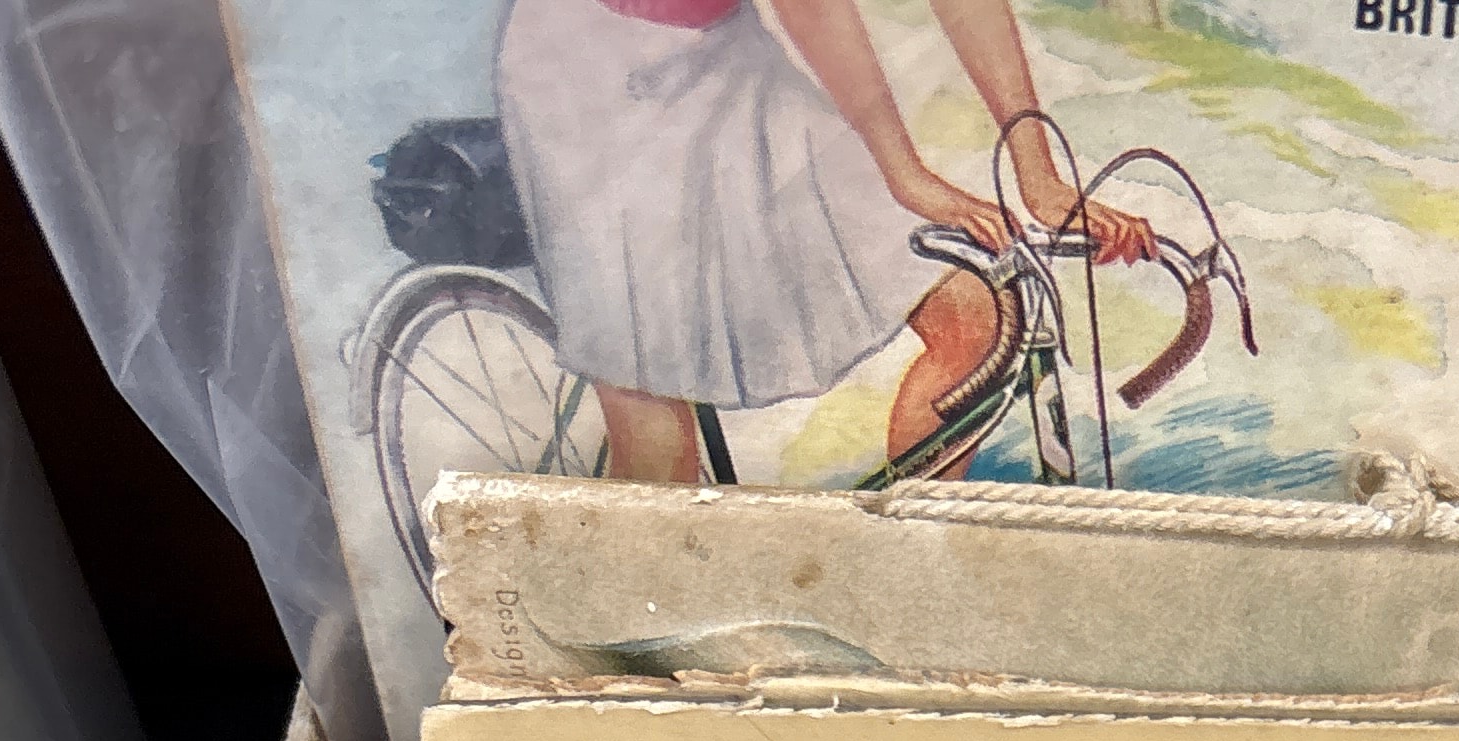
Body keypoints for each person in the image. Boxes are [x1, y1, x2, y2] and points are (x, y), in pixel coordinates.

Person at [491, 0, 1156, 484]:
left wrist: (1039, 176)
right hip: (597, 70)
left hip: (725, 50)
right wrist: (905, 175)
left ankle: (908, 561)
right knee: (657, 440)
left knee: (976, 311)